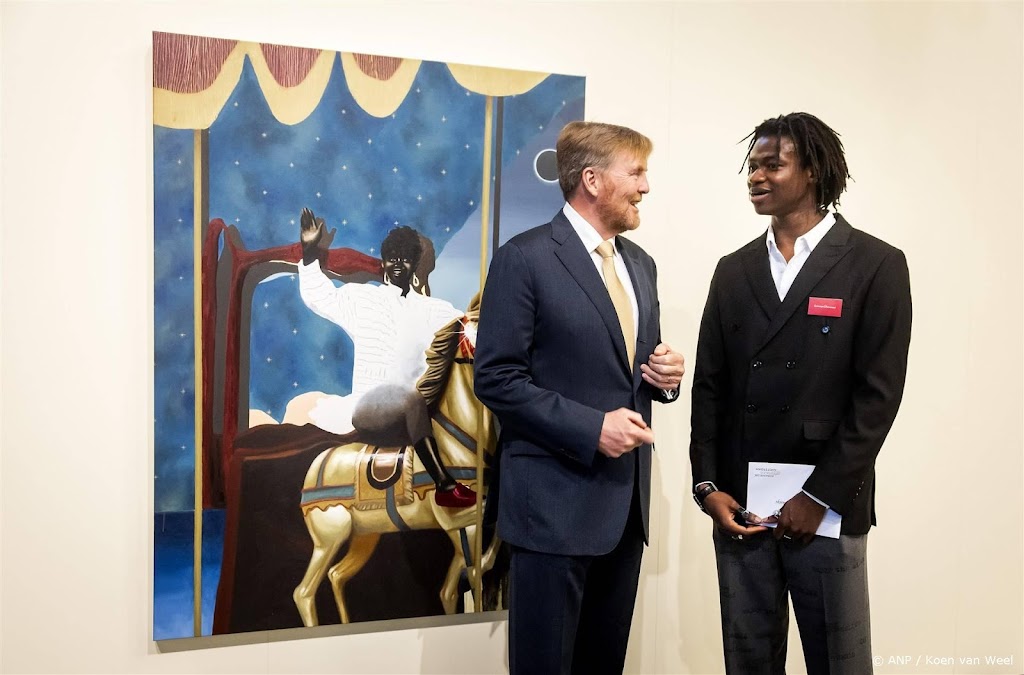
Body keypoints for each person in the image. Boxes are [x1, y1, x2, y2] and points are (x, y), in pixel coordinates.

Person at [690, 113, 912, 674]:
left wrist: (819, 496)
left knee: (840, 663)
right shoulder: (733, 269)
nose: (755, 177)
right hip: (742, 509)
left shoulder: (876, 264)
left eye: (772, 165)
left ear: (812, 171)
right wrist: (708, 486)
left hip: (828, 510)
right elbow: (709, 388)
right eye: (752, 166)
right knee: (748, 662)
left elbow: (878, 397)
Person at [474, 121, 685, 674]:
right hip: (552, 511)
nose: (645, 186)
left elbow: (631, 371)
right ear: (592, 180)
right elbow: (496, 378)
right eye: (635, 173)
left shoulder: (641, 265)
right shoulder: (524, 258)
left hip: (625, 511)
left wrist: (665, 377)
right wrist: (592, 428)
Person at [297, 208, 475, 507]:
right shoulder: (362, 299)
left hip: (417, 412)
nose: (397, 265)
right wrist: (309, 251)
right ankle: (444, 485)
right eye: (392, 258)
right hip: (370, 408)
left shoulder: (436, 310)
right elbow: (320, 297)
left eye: (404, 259)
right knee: (410, 399)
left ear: (414, 263)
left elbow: (469, 332)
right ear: (383, 263)